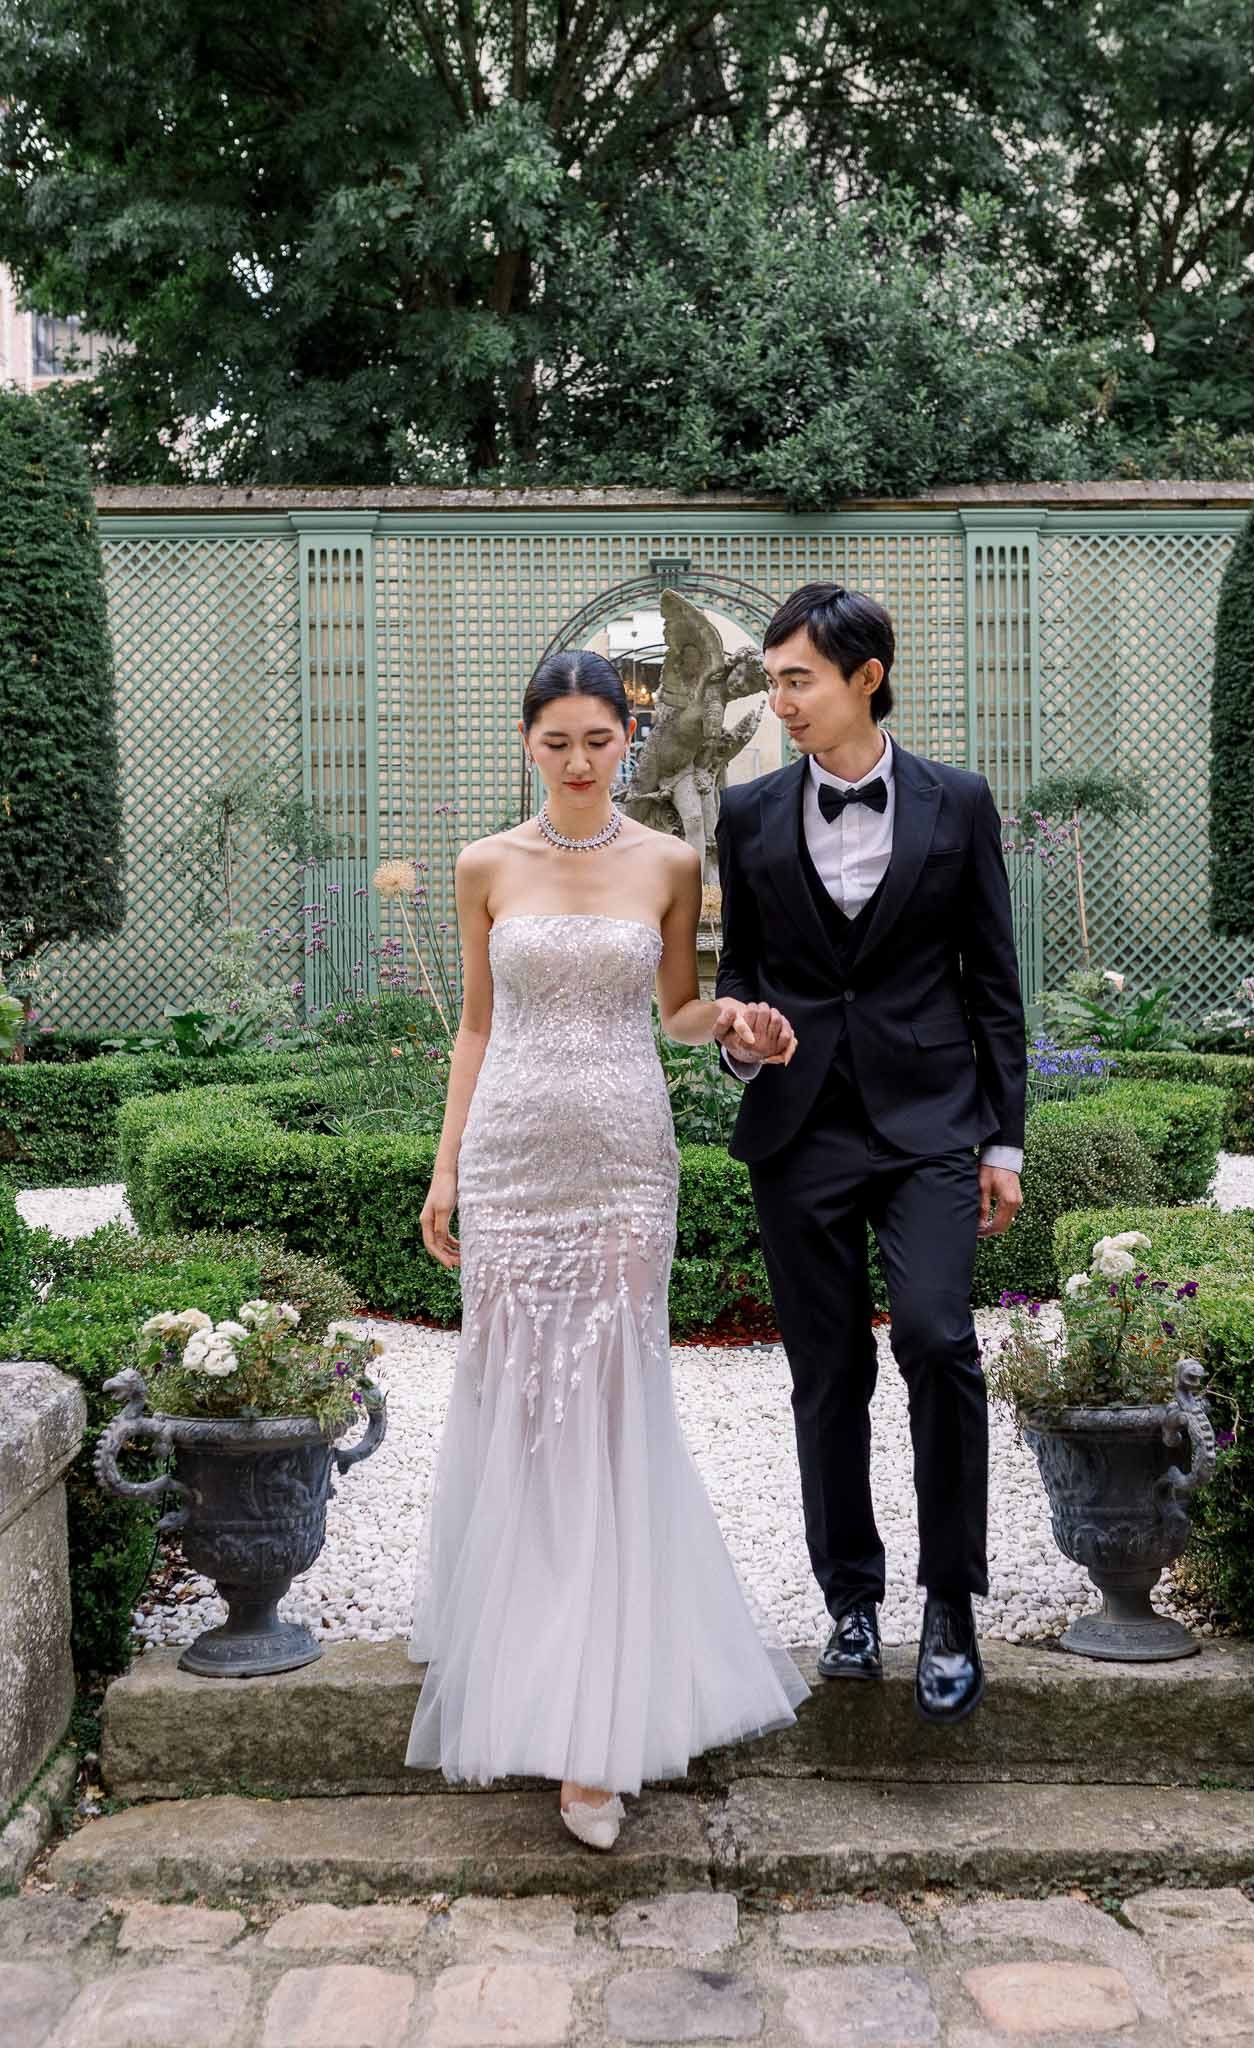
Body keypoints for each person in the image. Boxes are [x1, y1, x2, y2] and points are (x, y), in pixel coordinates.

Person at [405, 648, 809, 1851]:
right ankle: (518, 1653)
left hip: (630, 1162)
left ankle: (597, 1733)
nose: (579, 762)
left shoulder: (673, 861)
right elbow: (478, 1024)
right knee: (521, 1404)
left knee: (612, 1404)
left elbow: (679, 1009)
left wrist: (731, 1020)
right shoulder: (486, 865)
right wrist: (446, 1165)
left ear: (627, 739)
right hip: (516, 1162)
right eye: (556, 742)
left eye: (598, 741)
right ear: (526, 741)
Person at [713, 583, 1026, 1725]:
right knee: (826, 1373)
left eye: (797, 677)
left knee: (941, 1339)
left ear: (866, 676)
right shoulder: (746, 817)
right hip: (799, 1130)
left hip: (933, 1121)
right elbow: (740, 979)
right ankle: (853, 1600)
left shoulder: (959, 801)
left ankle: (952, 1601)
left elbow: (994, 983)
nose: (779, 698)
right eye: (774, 676)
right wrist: (744, 1037)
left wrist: (1005, 1136)